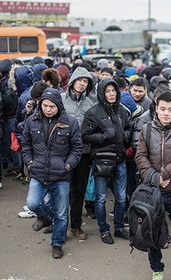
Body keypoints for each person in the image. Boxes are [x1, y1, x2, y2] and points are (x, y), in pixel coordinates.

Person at [135, 91, 171, 280]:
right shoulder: (146, 129)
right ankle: (157, 269)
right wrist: (155, 178)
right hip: (152, 192)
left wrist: (163, 175)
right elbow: (140, 157)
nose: (166, 113)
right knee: (152, 233)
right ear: (156, 108)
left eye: (170, 110)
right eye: (162, 109)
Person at [22, 88, 82, 259]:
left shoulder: (70, 122)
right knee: (33, 204)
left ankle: (57, 243)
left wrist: (68, 165)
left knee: (62, 213)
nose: (48, 109)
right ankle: (47, 217)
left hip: (61, 174)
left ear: (59, 106)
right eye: (45, 105)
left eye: (52, 106)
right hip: (38, 172)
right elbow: (25, 144)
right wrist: (30, 162)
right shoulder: (31, 121)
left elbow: (77, 148)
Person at [82, 79, 132, 244]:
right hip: (102, 159)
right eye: (108, 91)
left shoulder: (122, 111)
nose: (112, 94)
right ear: (102, 93)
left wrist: (124, 135)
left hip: (120, 158)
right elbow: (86, 135)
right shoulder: (93, 112)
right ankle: (104, 230)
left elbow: (129, 128)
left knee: (121, 197)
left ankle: (118, 228)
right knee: (101, 198)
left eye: (114, 91)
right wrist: (104, 137)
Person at [61, 66, 97, 240]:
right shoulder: (61, 99)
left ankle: (75, 226)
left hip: (83, 152)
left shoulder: (92, 101)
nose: (82, 84)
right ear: (73, 80)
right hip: (62, 152)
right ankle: (58, 224)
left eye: (86, 81)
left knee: (78, 190)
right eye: (80, 80)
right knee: (60, 190)